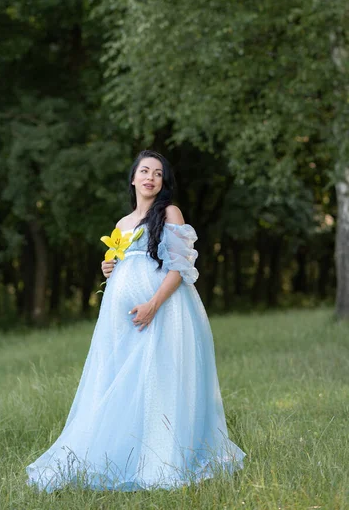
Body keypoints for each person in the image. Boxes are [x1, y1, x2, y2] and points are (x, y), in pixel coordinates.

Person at [26, 150, 246, 492]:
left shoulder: (170, 213)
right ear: (133, 178)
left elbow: (180, 268)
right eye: (145, 171)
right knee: (125, 380)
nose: (151, 178)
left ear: (163, 183)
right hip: (124, 320)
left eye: (158, 174)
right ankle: (126, 450)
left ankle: (163, 455)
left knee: (161, 376)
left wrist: (153, 304)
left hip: (165, 311)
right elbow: (122, 262)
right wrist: (108, 268)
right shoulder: (121, 224)